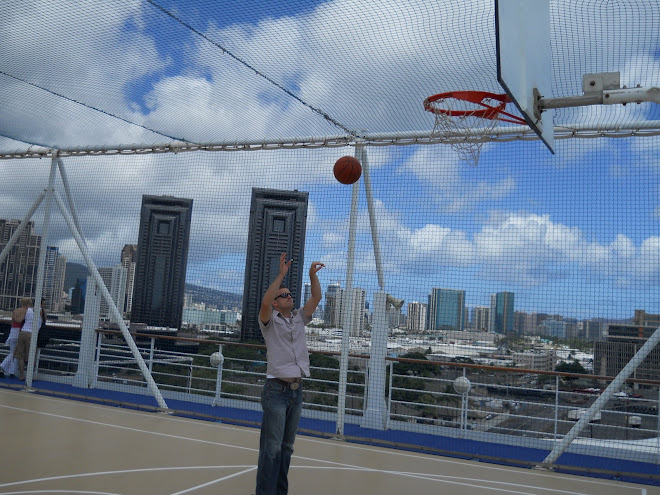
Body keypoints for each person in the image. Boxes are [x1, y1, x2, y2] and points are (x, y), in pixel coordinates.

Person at [255, 253, 324, 495]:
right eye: (284, 295)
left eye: (290, 294)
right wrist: (281, 275)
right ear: (276, 302)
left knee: (286, 448)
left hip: (296, 391)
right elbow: (264, 304)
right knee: (271, 448)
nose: (289, 297)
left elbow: (316, 297)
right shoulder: (269, 321)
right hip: (276, 390)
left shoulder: (298, 318)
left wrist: (312, 276)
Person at [1, 298, 30, 378]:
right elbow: (20, 320)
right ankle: (3, 367)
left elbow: (13, 321)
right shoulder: (26, 311)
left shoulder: (15, 310)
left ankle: (11, 371)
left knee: (14, 352)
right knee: (16, 353)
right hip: (20, 332)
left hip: (13, 330)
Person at [15, 298, 42, 381]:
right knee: (32, 355)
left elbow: (19, 319)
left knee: (20, 355)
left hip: (23, 332)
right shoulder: (40, 310)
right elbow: (41, 323)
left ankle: (22, 375)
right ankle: (31, 375)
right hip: (32, 334)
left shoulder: (26, 310)